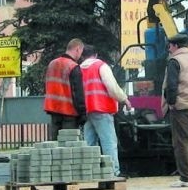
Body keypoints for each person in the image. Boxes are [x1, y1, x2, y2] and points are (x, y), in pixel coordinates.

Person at [161, 33, 188, 187]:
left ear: (175, 46)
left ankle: (186, 177)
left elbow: (171, 85)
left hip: (181, 106)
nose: (169, 49)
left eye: (170, 46)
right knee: (186, 140)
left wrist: (171, 102)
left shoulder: (175, 61)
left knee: (180, 142)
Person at [80, 44, 131, 177]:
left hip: (86, 111)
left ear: (82, 56)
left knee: (89, 143)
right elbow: (112, 87)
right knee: (108, 141)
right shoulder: (100, 66)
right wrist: (124, 99)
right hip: (101, 108)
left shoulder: (79, 69)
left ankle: (89, 172)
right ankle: (113, 171)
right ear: (95, 54)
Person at [43, 38, 86, 140]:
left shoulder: (52, 64)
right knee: (68, 145)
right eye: (81, 52)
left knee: (54, 144)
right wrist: (82, 113)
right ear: (77, 49)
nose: (80, 55)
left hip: (53, 109)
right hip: (68, 112)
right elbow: (78, 92)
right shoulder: (73, 66)